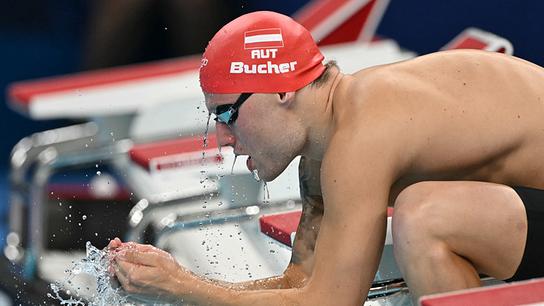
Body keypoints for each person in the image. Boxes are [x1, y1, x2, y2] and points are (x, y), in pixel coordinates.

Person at [108, 11, 544, 305]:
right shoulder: (323, 150)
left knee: (425, 216)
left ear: (282, 91)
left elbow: (332, 302)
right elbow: (301, 286)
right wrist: (181, 284)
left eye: (227, 114)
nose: (223, 138)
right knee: (427, 213)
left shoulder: (363, 131)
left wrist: (183, 288)